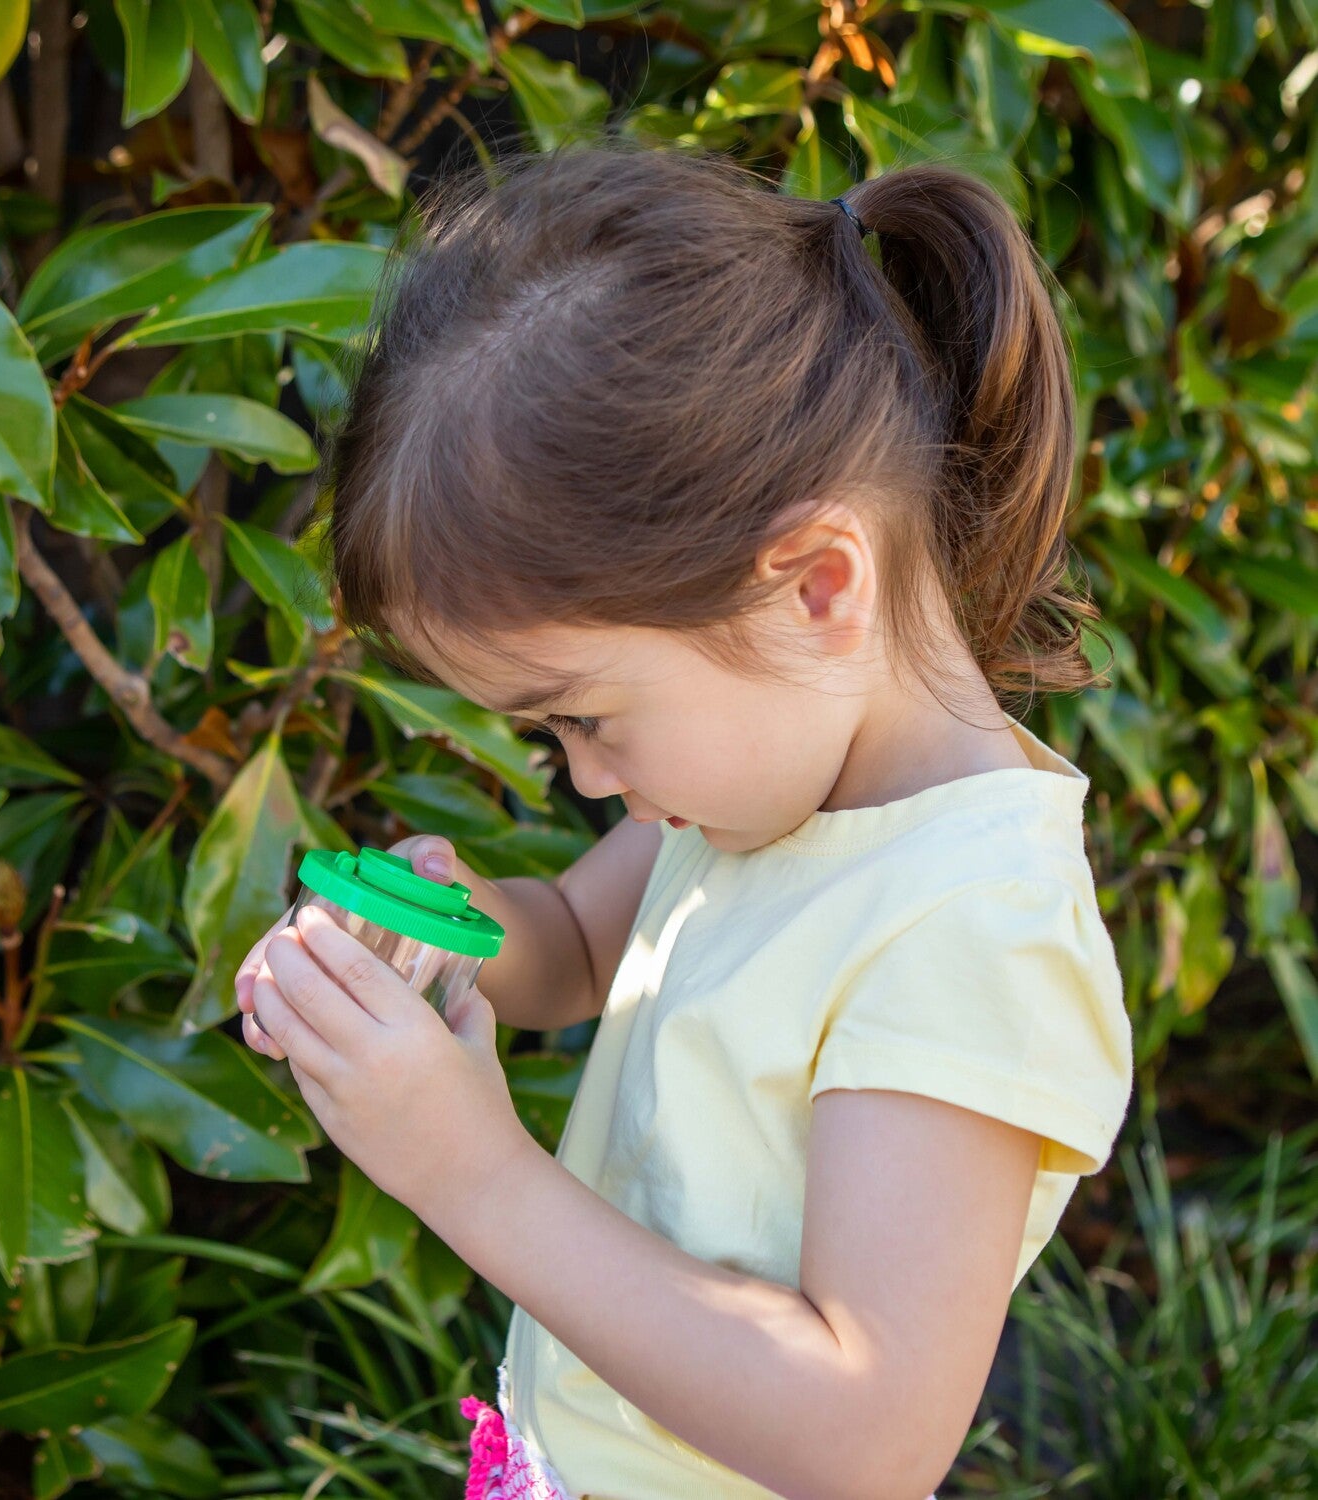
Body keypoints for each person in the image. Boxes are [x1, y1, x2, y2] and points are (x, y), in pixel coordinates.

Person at [233, 139, 1135, 1500]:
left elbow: (868, 1437)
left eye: (585, 715)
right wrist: (443, 935)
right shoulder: (759, 783)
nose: (584, 776)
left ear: (815, 587)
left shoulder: (968, 933)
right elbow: (578, 956)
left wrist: (471, 1173)